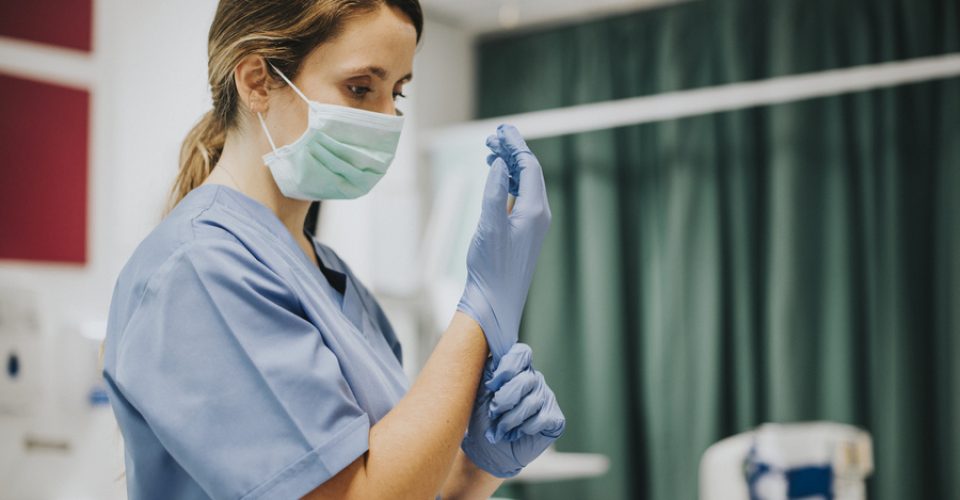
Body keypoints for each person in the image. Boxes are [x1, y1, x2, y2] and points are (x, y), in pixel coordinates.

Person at [100, 1, 565, 499]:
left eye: (398, 92)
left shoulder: (337, 282)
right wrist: (482, 304)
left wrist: (477, 466)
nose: (388, 118)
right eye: (361, 88)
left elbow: (395, 487)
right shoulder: (197, 270)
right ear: (258, 81)